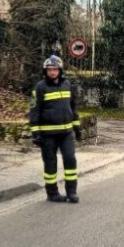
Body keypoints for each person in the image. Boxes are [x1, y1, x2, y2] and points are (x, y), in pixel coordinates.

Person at [29, 55, 81, 203]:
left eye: (55, 69)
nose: (52, 72)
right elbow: (34, 111)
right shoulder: (40, 88)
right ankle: (52, 194)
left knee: (70, 160)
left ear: (60, 70)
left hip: (66, 133)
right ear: (45, 71)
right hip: (48, 134)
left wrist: (77, 127)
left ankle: (71, 192)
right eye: (49, 69)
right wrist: (35, 132)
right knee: (50, 163)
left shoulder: (67, 85)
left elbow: (73, 107)